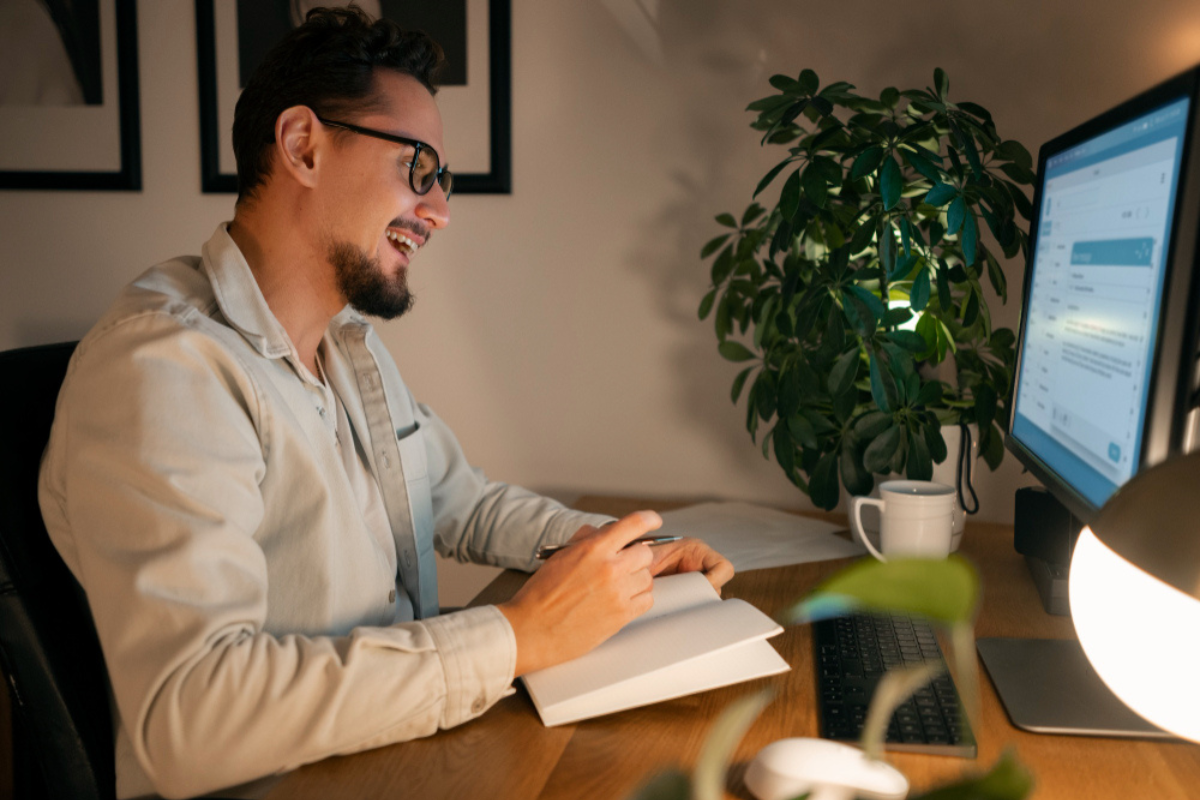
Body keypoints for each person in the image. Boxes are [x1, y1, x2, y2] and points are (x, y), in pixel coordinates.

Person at [37, 7, 733, 800]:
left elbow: (459, 501)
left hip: (400, 754)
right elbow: (190, 719)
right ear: (303, 146)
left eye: (440, 181)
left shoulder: (345, 347)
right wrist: (515, 637)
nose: (439, 212)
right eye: (418, 168)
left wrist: (616, 553)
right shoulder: (165, 369)